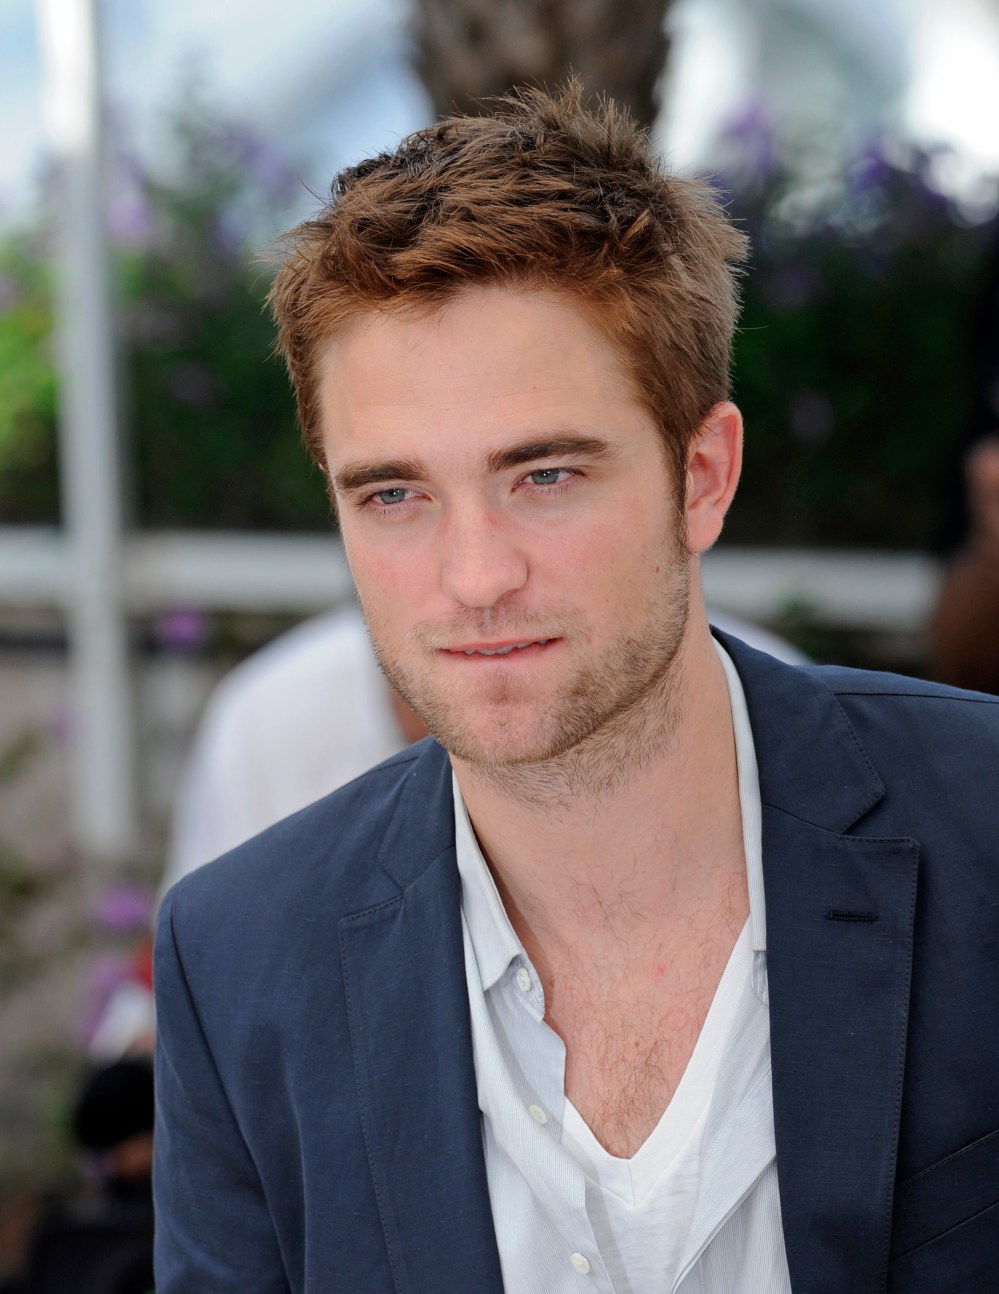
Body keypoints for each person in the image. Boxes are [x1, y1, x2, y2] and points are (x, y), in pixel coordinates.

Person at [153, 83, 999, 1293]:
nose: (474, 576)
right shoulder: (239, 959)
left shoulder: (982, 821)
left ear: (702, 476)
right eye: (394, 494)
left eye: (543, 475)